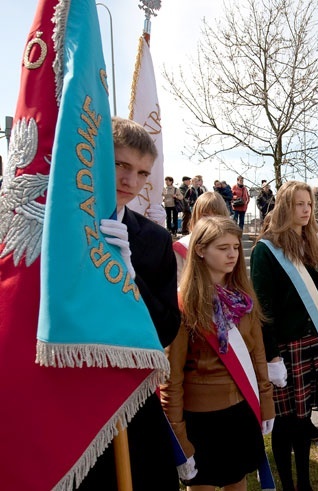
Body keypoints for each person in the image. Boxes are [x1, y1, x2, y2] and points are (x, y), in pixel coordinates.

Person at [79, 117, 181, 490]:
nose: (130, 182)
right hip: (72, 398)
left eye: (142, 173)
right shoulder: (59, 230)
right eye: (121, 165)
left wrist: (128, 275)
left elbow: (168, 326)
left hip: (131, 399)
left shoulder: (153, 239)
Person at [160, 216, 274, 490]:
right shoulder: (182, 304)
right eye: (223, 248)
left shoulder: (244, 296)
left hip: (241, 411)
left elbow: (257, 354)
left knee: (238, 482)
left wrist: (267, 403)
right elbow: (171, 379)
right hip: (202, 420)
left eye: (235, 247)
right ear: (200, 249)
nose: (232, 254)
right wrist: (179, 438)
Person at [251, 181, 318, 491]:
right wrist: (272, 357)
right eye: (299, 204)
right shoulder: (266, 250)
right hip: (285, 351)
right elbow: (263, 310)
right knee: (285, 424)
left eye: (309, 204)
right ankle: (287, 484)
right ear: (285, 207)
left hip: (313, 345)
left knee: (303, 421)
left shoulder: (315, 244)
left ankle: (305, 483)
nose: (306, 209)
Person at [173, 191, 230, 283]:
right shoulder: (183, 245)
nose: (211, 220)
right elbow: (179, 284)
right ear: (196, 216)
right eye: (205, 215)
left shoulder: (230, 245)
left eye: (217, 215)